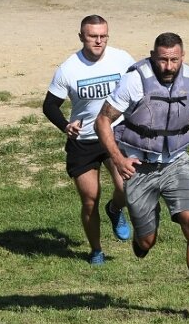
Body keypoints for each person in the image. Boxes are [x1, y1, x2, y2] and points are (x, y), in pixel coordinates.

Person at [95, 32, 189, 320]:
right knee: (146, 242)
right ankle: (123, 215)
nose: (168, 66)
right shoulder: (134, 81)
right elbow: (103, 120)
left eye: (174, 60)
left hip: (177, 163)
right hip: (139, 166)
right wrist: (117, 158)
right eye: (163, 59)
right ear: (153, 56)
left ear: (182, 57)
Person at [42, 14, 135, 265]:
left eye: (103, 36)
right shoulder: (69, 68)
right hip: (83, 140)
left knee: (128, 187)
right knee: (90, 198)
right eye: (93, 36)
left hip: (115, 134)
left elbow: (139, 88)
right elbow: (49, 105)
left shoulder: (123, 59)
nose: (98, 41)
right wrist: (65, 125)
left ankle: (115, 209)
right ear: (81, 36)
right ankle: (96, 250)